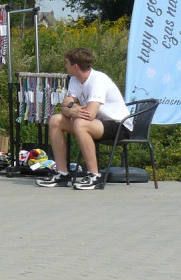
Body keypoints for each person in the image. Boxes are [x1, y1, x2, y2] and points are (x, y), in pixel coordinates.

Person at [36, 47, 132, 190]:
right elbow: (64, 106)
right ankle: (62, 173)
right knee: (56, 119)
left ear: (75, 66)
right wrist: (72, 110)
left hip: (119, 125)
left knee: (81, 123)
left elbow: (89, 114)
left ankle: (94, 175)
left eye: (67, 63)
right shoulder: (74, 80)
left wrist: (71, 109)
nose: (65, 66)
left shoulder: (98, 80)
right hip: (97, 124)